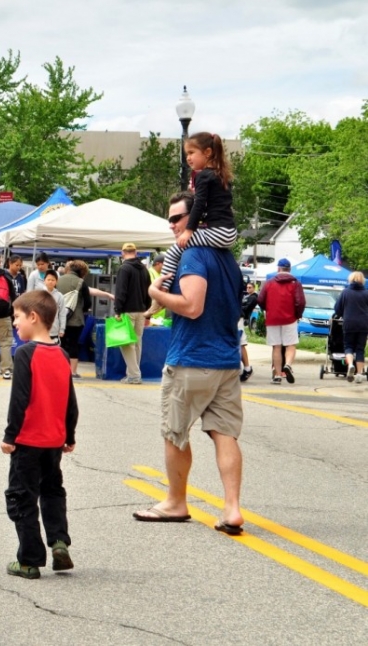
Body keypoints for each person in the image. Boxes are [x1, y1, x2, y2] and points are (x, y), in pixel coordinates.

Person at [132, 192, 245, 535]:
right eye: (170, 219)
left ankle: (175, 502)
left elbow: (192, 305)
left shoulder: (193, 254)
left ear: (200, 218)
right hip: (226, 361)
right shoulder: (228, 259)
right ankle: (232, 510)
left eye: (178, 218)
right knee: (225, 435)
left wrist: (155, 294)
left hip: (192, 359)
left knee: (174, 434)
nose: (173, 225)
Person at [2, 290, 78, 580]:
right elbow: (70, 401)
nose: (15, 324)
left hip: (28, 441)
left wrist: (10, 436)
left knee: (22, 498)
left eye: (17, 318)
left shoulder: (25, 353)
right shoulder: (59, 354)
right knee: (52, 492)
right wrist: (69, 435)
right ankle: (59, 541)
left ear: (33, 317)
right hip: (53, 443)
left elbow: (19, 400)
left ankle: (29, 560)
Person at [160, 132, 237, 292]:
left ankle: (163, 288)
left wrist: (188, 231)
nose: (188, 158)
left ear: (207, 152)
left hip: (218, 232)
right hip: (228, 231)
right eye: (186, 154)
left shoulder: (203, 176)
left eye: (191, 153)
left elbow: (199, 205)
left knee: (175, 250)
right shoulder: (220, 175)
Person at [257, 258, 305, 384]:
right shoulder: (295, 283)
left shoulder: (269, 283)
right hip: (290, 318)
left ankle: (277, 375)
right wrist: (298, 314)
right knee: (290, 345)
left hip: (273, 318)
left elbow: (260, 299)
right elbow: (300, 301)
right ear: (289, 269)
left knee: (276, 347)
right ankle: (288, 365)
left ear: (278, 269)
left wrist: (268, 309)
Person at [113, 242, 152, 384]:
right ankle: (132, 374)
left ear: (123, 253)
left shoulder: (124, 268)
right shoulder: (144, 269)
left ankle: (134, 375)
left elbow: (121, 291)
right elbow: (149, 292)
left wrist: (117, 310)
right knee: (137, 343)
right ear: (136, 252)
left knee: (126, 344)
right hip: (142, 311)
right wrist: (148, 313)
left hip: (127, 311)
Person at [57, 260, 92, 379]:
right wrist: (82, 309)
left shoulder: (58, 280)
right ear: (82, 272)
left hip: (59, 319)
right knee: (73, 344)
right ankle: (72, 372)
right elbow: (88, 302)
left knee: (60, 345)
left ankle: (60, 369)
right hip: (76, 320)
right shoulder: (81, 282)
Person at [333, 271, 368, 383]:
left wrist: (343, 314)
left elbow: (337, 309)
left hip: (349, 323)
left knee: (348, 346)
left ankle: (351, 365)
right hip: (363, 324)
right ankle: (359, 374)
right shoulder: (366, 293)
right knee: (360, 349)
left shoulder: (345, 292)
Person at [41, 270, 66, 343]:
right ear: (44, 280)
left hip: (54, 330)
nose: (50, 282)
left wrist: (62, 329)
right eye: (48, 279)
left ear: (56, 282)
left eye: (53, 280)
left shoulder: (59, 296)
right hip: (41, 330)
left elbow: (62, 314)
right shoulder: (39, 294)